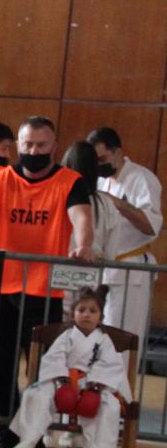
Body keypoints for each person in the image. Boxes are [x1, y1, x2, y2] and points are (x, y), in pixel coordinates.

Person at [0, 116, 92, 448]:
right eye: (27, 144)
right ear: (18, 144)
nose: (33, 151)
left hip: (45, 294)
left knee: (41, 376)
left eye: (41, 145)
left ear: (54, 146)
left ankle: (33, 445)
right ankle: (7, 440)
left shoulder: (70, 182)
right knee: (0, 371)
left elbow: (81, 218)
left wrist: (84, 244)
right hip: (4, 289)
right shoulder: (2, 179)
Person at [6, 290, 131, 448]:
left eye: (92, 311)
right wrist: (61, 380)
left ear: (101, 317)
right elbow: (53, 359)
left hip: (92, 384)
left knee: (111, 406)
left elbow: (110, 366)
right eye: (82, 310)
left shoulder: (104, 340)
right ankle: (29, 440)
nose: (87, 314)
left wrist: (95, 385)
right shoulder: (66, 336)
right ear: (73, 314)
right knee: (36, 394)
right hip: (63, 381)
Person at [89, 126, 162, 352]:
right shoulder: (100, 180)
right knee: (98, 338)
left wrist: (117, 203)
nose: (98, 165)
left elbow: (151, 226)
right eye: (95, 161)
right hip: (104, 268)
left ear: (118, 152)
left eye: (102, 159)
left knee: (122, 337)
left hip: (131, 269)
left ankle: (124, 376)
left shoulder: (141, 178)